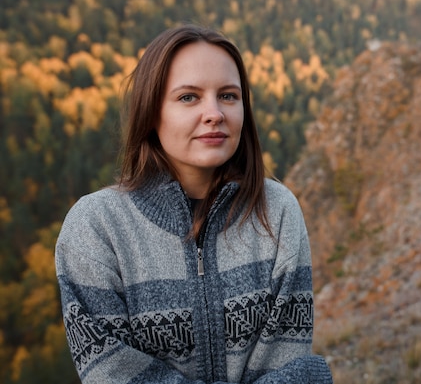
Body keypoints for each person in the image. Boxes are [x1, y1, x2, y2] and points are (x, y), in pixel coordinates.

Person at [55, 24, 333, 384]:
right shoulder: (95, 227)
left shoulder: (277, 211)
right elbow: (111, 373)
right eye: (189, 97)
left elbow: (284, 362)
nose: (214, 113)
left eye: (229, 96)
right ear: (152, 112)